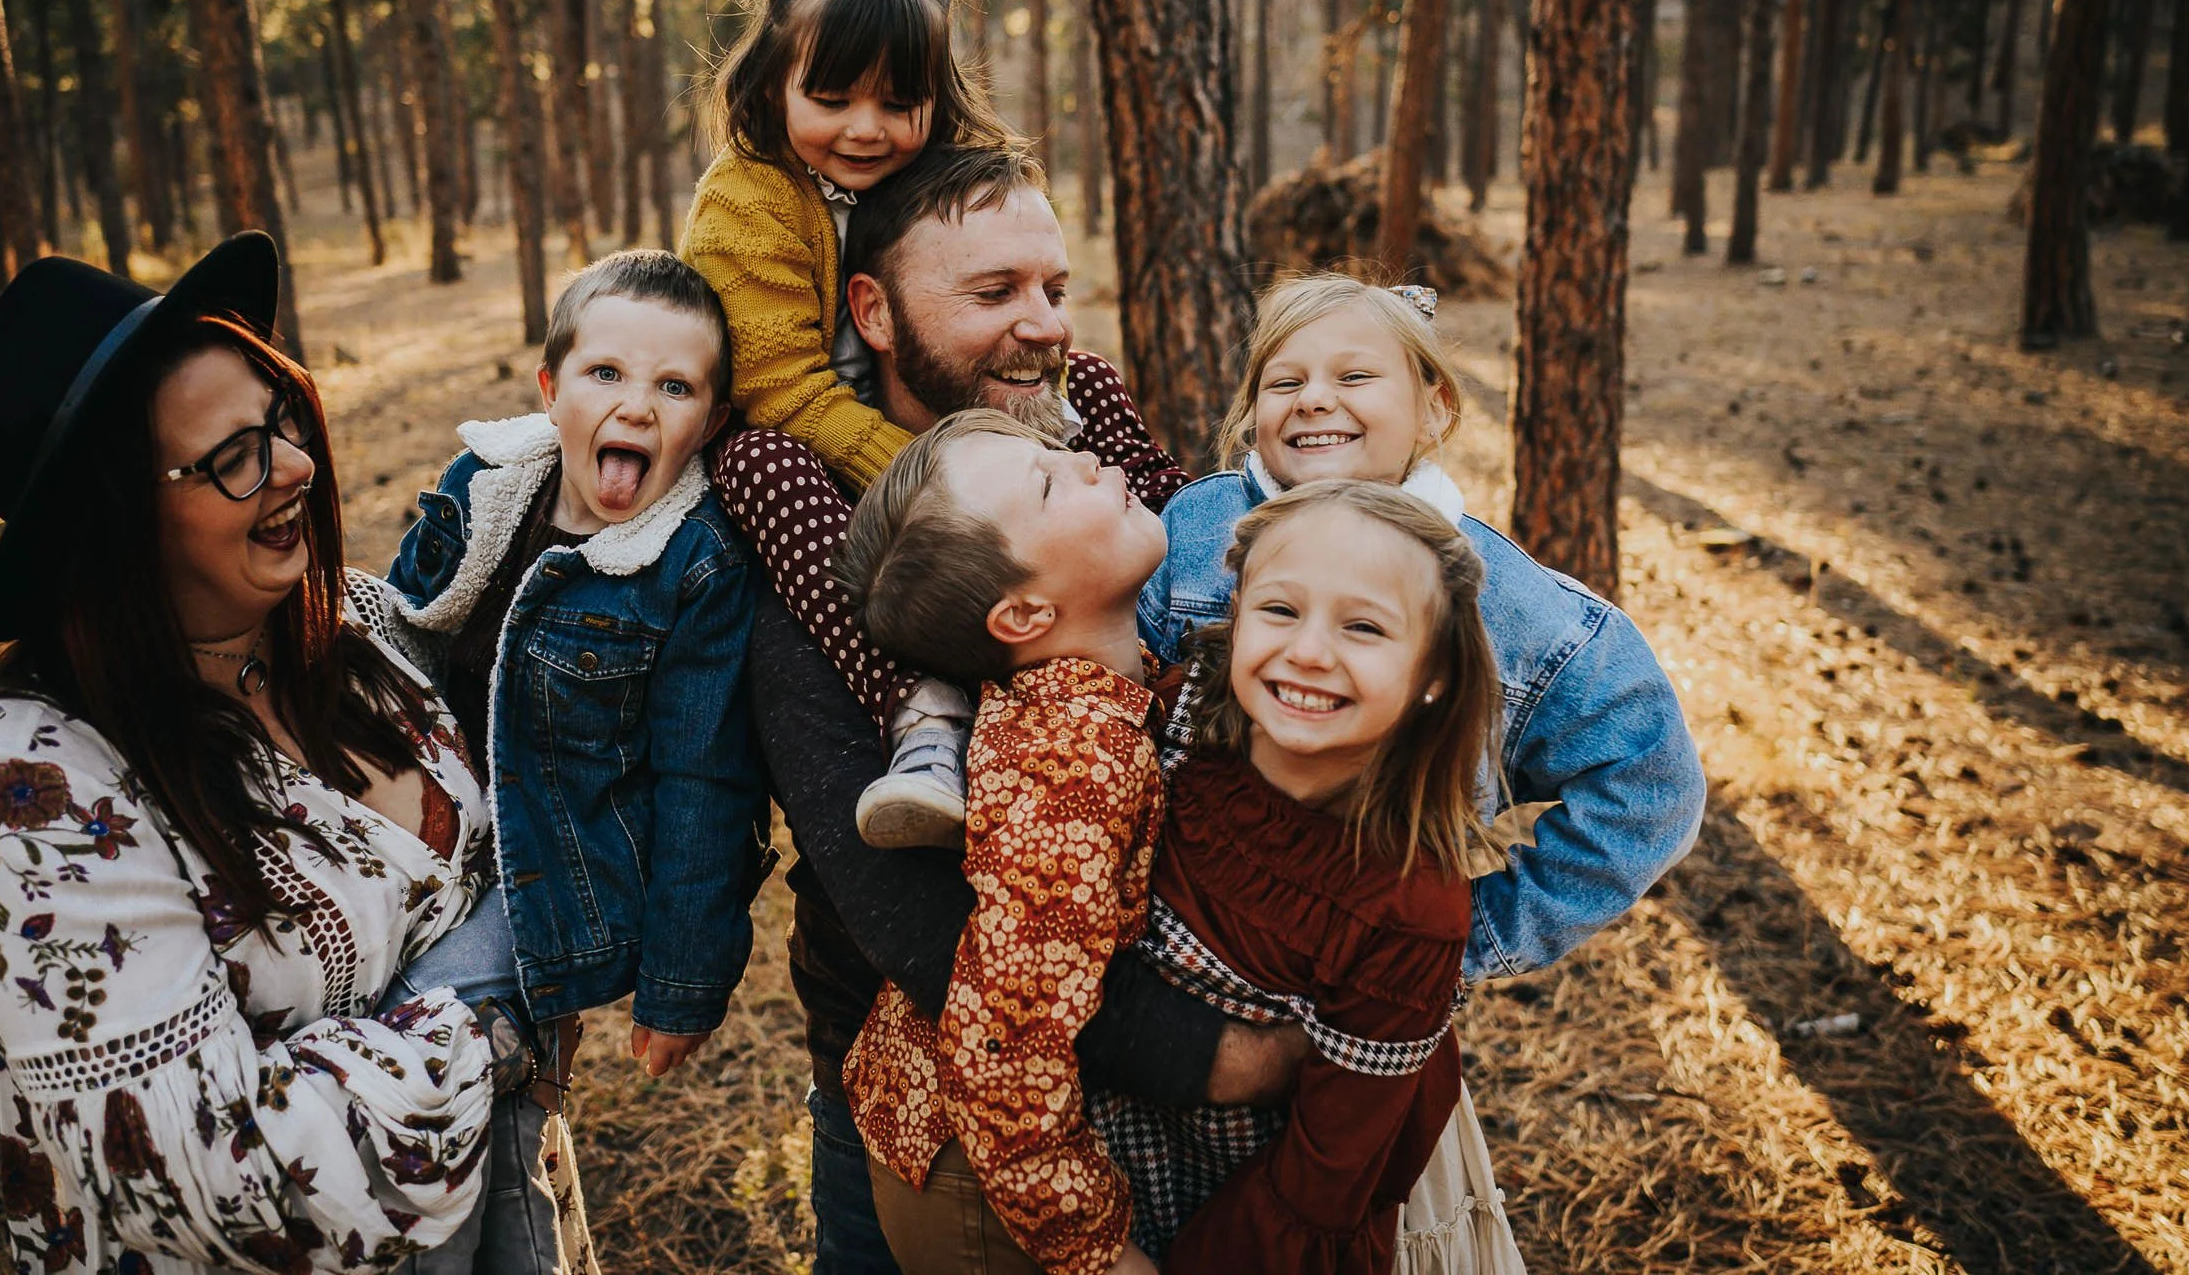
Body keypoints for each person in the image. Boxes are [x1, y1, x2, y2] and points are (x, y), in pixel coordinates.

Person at [0, 235, 584, 1273]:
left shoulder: (362, 630)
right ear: (116, 525)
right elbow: (218, 1183)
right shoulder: (31, 782)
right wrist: (493, 1006)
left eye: (282, 417)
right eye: (233, 456)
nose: (298, 465)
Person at [710, 147, 1304, 1272]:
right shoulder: (826, 547)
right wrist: (1229, 1056)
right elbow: (924, 924)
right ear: (873, 312)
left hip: (1127, 1102)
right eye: (992, 293)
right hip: (941, 1103)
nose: (1043, 329)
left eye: (1054, 289)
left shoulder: (1083, 474)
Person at [1141, 272, 1705, 990]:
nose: (1314, 398)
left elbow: (1653, 786)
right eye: (1284, 382)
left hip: (1359, 996)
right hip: (1164, 954)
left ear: (1433, 410)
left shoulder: (1508, 604)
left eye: (1354, 375)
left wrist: (1465, 942)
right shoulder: (1190, 532)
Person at [1098, 481, 1508, 1274]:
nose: (1310, 650)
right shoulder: (1171, 723)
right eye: (1280, 610)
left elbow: (1324, 1178)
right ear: (1238, 611)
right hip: (1092, 1166)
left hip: (1240, 1216)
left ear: (1434, 676)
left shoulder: (1411, 905)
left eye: (1364, 626)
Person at [380, 252, 767, 1085]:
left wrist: (681, 984)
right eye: (605, 372)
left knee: (421, 1009)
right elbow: (398, 623)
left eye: (675, 387)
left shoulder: (696, 566)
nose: (636, 404)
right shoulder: (485, 484)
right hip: (434, 820)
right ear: (551, 390)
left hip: (560, 871)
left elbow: (707, 783)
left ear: (709, 419)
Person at [678, 0, 1006, 847]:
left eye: (897, 103)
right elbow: (779, 389)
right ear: (773, 80)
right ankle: (922, 711)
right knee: (758, 463)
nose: (865, 127)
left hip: (910, 433)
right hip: (800, 450)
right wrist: (926, 463)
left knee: (1085, 384)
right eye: (831, 99)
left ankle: (1169, 593)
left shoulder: (935, 184)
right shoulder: (748, 200)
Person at [833, 411, 1170, 1275]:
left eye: (1057, 455)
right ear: (1024, 611)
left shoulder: (1097, 687)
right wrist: (1098, 1252)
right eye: (1053, 483)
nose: (1089, 459)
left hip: (991, 1151)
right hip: (977, 1184)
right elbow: (1001, 1053)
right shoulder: (1073, 765)